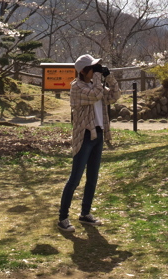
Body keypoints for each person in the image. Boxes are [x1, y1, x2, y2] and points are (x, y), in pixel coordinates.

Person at [58, 53, 121, 232]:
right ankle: (63, 217)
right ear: (84, 71)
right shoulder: (77, 87)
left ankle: (85, 213)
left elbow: (115, 96)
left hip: (98, 134)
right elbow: (95, 95)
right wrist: (100, 79)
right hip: (84, 136)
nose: (96, 70)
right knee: (75, 179)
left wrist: (110, 77)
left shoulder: (97, 85)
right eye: (93, 68)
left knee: (92, 178)